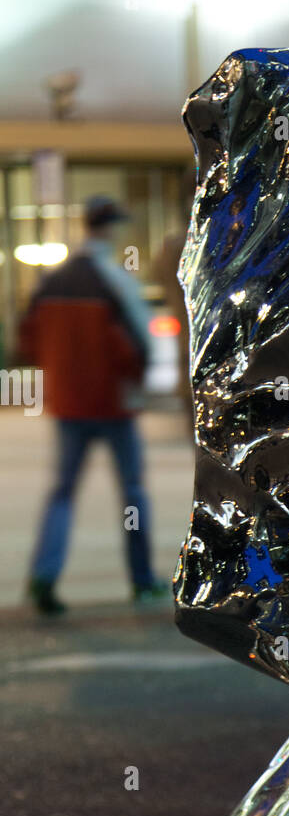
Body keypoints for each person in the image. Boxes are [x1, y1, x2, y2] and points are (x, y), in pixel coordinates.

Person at [19, 195, 168, 614]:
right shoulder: (115, 280)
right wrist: (140, 383)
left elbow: (27, 342)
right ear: (110, 228)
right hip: (113, 404)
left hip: (69, 405)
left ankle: (43, 576)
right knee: (132, 493)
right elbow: (140, 343)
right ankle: (141, 580)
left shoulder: (50, 281)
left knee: (62, 492)